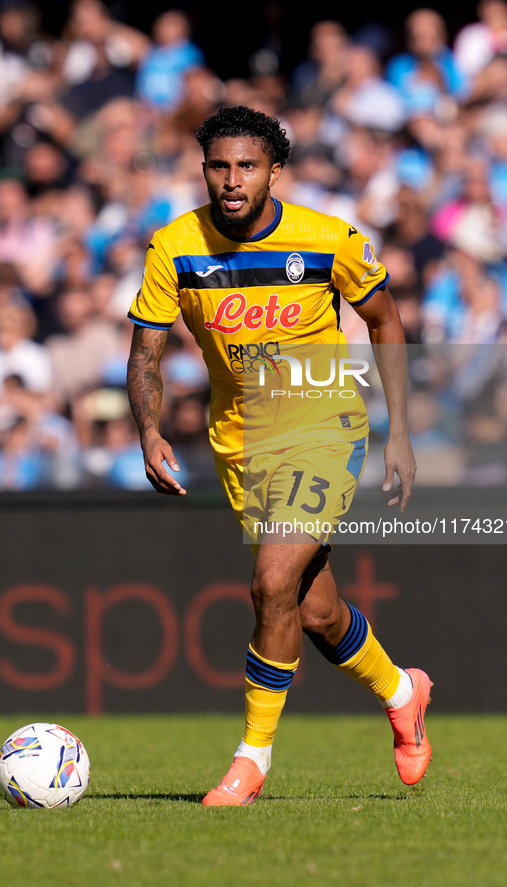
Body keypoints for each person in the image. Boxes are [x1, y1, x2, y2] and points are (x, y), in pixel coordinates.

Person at [126, 105, 432, 806]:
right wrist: (148, 429)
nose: (231, 180)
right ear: (204, 169)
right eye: (219, 166)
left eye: (246, 166)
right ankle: (400, 689)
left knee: (269, 583)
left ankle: (250, 760)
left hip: (323, 427)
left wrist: (399, 430)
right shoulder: (175, 247)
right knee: (313, 610)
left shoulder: (326, 240)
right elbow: (146, 350)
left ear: (273, 170)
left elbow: (383, 318)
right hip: (240, 441)